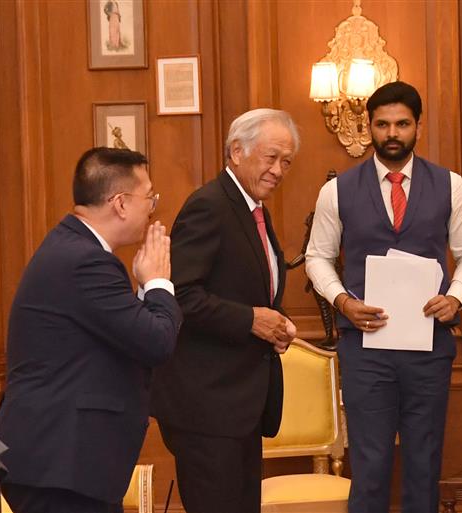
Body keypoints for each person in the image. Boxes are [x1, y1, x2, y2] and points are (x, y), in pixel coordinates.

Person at [305, 81, 462, 513]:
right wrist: (343, 301)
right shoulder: (336, 191)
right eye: (382, 124)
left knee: (424, 461)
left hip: (428, 344)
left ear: (418, 127)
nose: (392, 133)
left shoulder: (451, 186)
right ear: (368, 126)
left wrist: (457, 297)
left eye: (402, 124)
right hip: (365, 348)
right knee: (370, 463)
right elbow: (317, 258)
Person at [0, 147, 181, 513]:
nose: (152, 208)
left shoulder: (75, 249)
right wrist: (159, 282)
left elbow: (127, 336)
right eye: (150, 197)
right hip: (59, 462)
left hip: (60, 460)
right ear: (121, 203)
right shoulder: (85, 260)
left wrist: (146, 288)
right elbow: (157, 341)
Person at [150, 109, 298, 513]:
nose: (279, 169)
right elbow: (179, 295)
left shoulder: (256, 210)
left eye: (286, 161)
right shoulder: (209, 205)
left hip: (239, 404)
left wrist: (275, 320)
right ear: (237, 151)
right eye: (270, 157)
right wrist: (253, 320)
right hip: (206, 406)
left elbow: (246, 288)